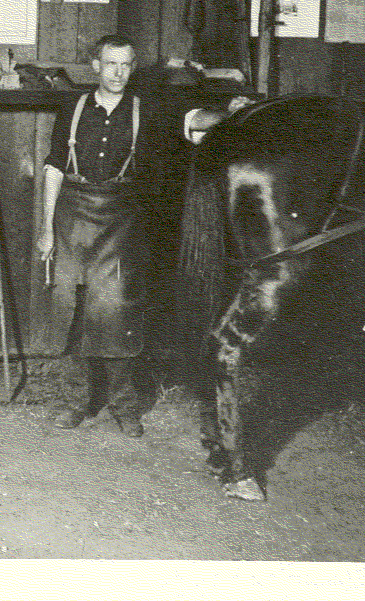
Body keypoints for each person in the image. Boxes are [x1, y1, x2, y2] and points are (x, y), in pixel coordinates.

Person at [37, 34, 247, 436]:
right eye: (110, 64)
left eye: (126, 65)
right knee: (73, 309)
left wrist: (229, 113)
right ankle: (77, 400)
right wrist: (46, 228)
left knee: (116, 311)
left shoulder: (147, 109)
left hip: (120, 218)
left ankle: (123, 406)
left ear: (132, 68)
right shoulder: (73, 108)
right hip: (71, 215)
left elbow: (193, 121)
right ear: (95, 66)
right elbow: (54, 168)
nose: (118, 73)